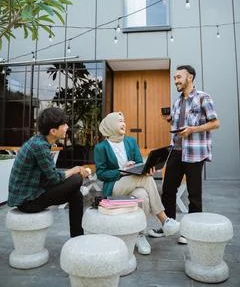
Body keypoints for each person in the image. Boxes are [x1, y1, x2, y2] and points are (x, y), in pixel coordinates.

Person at [150, 65, 220, 244]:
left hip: (195, 153)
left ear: (190, 77)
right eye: (174, 78)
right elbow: (177, 124)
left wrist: (193, 130)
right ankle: (168, 225)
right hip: (176, 150)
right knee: (167, 190)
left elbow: (215, 123)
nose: (176, 81)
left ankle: (191, 231)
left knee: (194, 194)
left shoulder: (203, 97)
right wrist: (170, 120)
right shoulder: (177, 102)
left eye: (179, 77)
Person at [94, 111, 180, 255]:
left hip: (135, 183)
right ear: (110, 125)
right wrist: (121, 170)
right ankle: (164, 220)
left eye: (124, 120)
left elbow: (140, 164)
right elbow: (101, 174)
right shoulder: (101, 148)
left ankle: (140, 234)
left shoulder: (130, 141)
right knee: (146, 179)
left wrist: (146, 169)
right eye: (119, 121)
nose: (124, 123)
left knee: (143, 195)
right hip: (115, 186)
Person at [8, 107, 91, 238]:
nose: (67, 127)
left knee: (76, 194)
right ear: (53, 131)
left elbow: (50, 173)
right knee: (76, 179)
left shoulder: (40, 142)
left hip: (35, 192)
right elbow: (54, 179)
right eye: (64, 125)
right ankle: (77, 236)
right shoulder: (39, 146)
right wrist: (75, 170)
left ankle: (77, 237)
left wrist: (74, 171)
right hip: (28, 201)